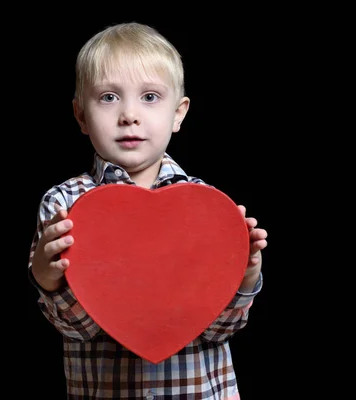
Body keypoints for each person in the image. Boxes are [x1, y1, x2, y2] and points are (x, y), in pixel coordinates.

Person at [28, 21, 268, 400]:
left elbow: (220, 329)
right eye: (108, 97)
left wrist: (244, 276)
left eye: (150, 97)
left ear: (179, 113)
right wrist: (47, 278)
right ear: (80, 116)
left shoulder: (207, 206)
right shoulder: (64, 205)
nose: (129, 115)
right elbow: (77, 329)